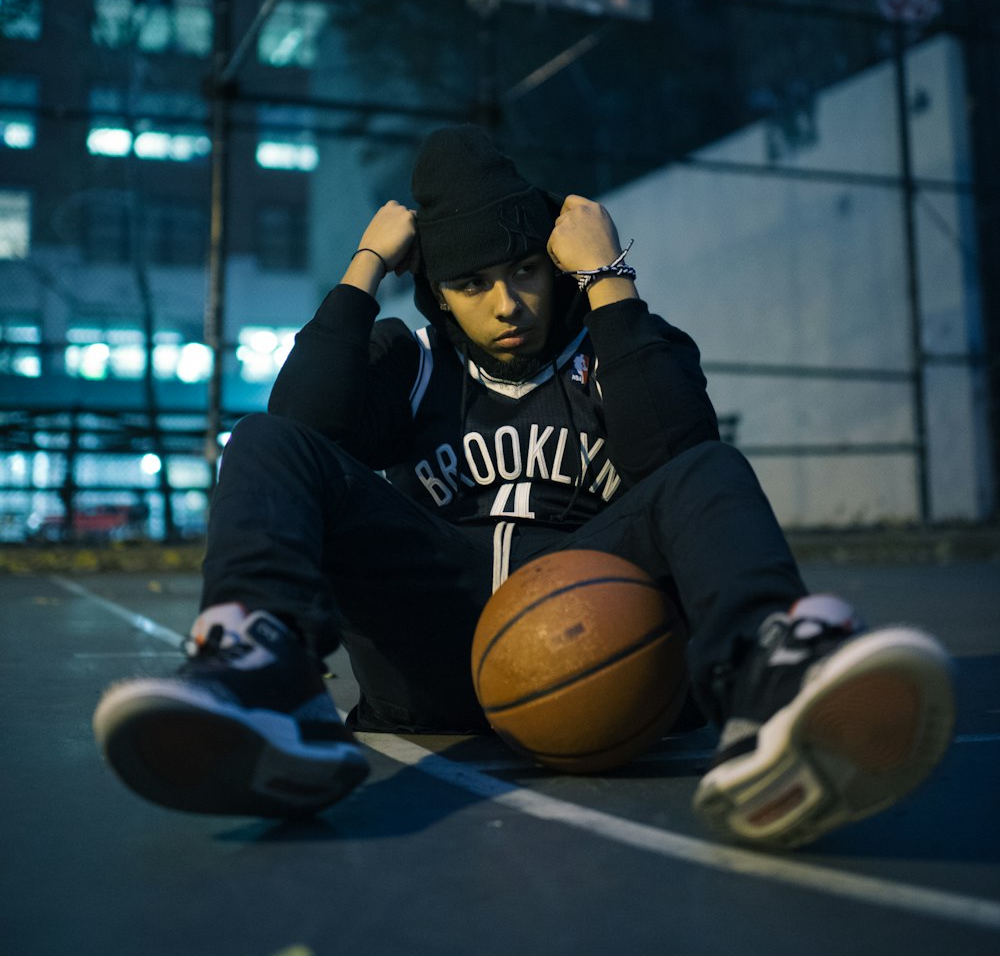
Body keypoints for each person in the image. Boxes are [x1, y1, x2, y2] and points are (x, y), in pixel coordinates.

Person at [93, 126, 956, 849]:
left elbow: (674, 450)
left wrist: (608, 276)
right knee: (266, 439)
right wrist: (364, 266)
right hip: (430, 645)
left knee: (710, 464)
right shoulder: (411, 362)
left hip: (599, 640)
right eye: (471, 283)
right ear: (436, 290)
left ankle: (770, 679)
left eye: (524, 271)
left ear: (552, 264)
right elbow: (304, 423)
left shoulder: (626, 347)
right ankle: (266, 675)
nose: (507, 302)